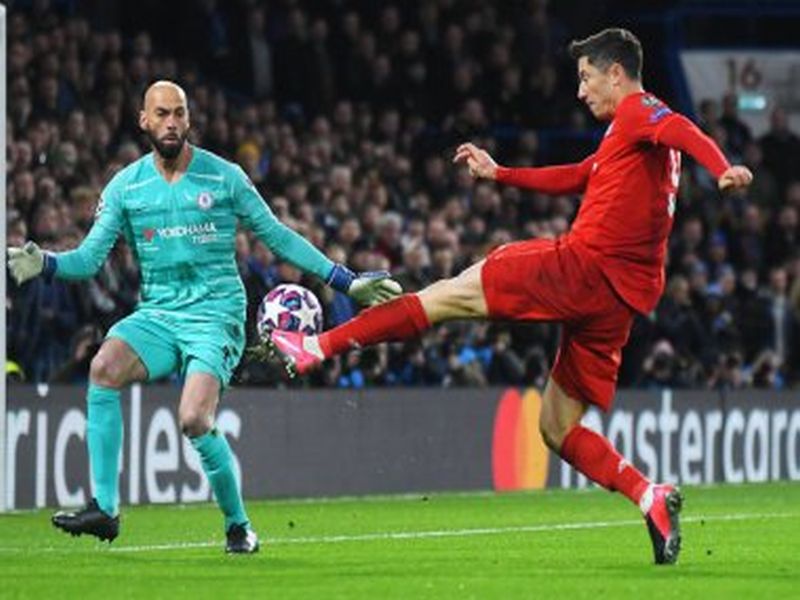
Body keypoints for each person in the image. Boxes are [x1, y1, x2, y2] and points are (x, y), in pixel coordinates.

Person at [265, 29, 753, 564]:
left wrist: (722, 167)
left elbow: (683, 129)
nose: (580, 91)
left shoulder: (642, 112)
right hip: (619, 301)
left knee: (445, 296)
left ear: (617, 73)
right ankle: (648, 495)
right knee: (556, 427)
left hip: (583, 267)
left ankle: (316, 347)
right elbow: (578, 176)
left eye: (587, 77)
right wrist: (501, 173)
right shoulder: (625, 135)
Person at [7, 81, 401, 553]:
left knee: (193, 418)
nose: (171, 122)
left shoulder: (224, 177)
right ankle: (105, 510)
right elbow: (90, 259)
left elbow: (277, 236)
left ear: (189, 120)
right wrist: (46, 263)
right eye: (162, 114)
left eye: (179, 113)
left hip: (216, 314)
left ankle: (238, 526)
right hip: (158, 313)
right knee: (103, 368)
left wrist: (346, 280)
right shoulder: (125, 187)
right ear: (144, 120)